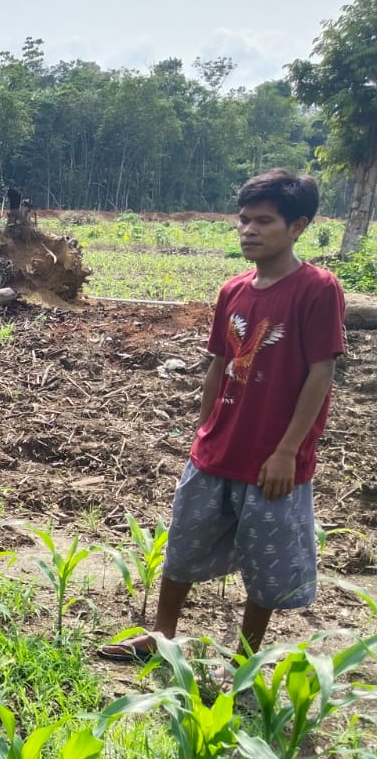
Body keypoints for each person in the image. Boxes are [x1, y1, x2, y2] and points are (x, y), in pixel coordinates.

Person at [98, 169, 345, 662]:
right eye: (243, 220)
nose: (248, 231)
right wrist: (205, 427)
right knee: (183, 544)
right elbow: (219, 364)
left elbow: (321, 375)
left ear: (297, 226)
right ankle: (162, 636)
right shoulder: (233, 291)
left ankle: (244, 657)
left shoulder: (317, 288)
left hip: (271, 461)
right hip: (217, 449)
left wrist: (287, 451)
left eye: (264, 222)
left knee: (265, 561)